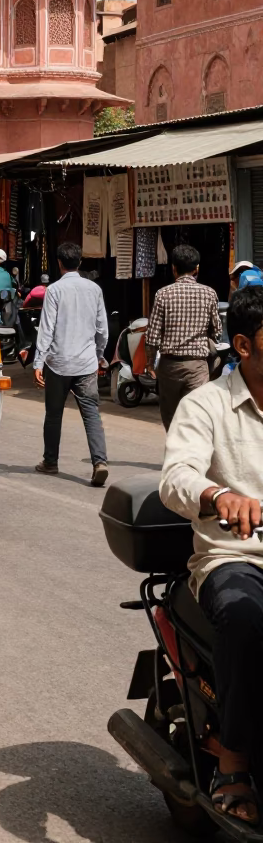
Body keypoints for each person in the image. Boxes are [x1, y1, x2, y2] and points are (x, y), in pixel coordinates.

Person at [159, 286, 263, 825]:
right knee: (246, 614)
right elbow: (176, 478)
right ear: (244, 346)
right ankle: (235, 762)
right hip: (233, 557)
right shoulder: (206, 405)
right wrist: (220, 496)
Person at [32, 241, 109, 487]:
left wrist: (38, 361)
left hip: (58, 363)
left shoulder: (54, 290)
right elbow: (102, 330)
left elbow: (46, 329)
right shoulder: (94, 290)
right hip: (86, 363)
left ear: (59, 263)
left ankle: (50, 462)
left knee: (54, 414)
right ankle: (100, 462)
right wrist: (98, 355)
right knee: (91, 414)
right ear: (80, 262)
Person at [146, 243, 221, 431]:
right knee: (197, 417)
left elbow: (153, 336)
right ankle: (195, 457)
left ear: (173, 269)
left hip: (169, 366)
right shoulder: (209, 293)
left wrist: (149, 363)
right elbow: (217, 330)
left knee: (171, 419)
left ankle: (176, 454)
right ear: (197, 269)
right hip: (197, 367)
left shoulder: (162, 294)